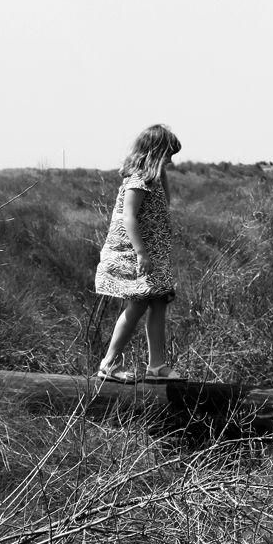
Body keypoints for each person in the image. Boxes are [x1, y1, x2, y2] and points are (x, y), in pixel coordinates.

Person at [94, 124, 182, 383]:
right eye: (167, 155)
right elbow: (128, 217)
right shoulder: (138, 180)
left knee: (158, 302)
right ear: (155, 152)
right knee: (139, 303)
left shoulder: (153, 179)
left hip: (154, 256)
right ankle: (108, 364)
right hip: (138, 256)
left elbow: (166, 203)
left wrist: (162, 172)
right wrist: (141, 253)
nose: (170, 160)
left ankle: (157, 366)